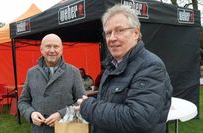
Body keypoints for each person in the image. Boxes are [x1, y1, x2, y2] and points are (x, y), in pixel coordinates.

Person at [77, 5, 173, 133]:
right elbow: (110, 101)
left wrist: (88, 106)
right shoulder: (112, 65)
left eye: (119, 30)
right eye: (108, 33)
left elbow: (138, 119)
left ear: (136, 33)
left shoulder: (151, 66)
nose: (112, 38)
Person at [18, 33, 86, 133]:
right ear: (41, 49)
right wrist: (31, 114)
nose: (52, 50)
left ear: (61, 50)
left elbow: (83, 103)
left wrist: (62, 114)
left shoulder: (73, 72)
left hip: (65, 128)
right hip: (39, 130)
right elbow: (23, 101)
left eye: (56, 46)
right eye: (48, 46)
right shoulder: (31, 73)